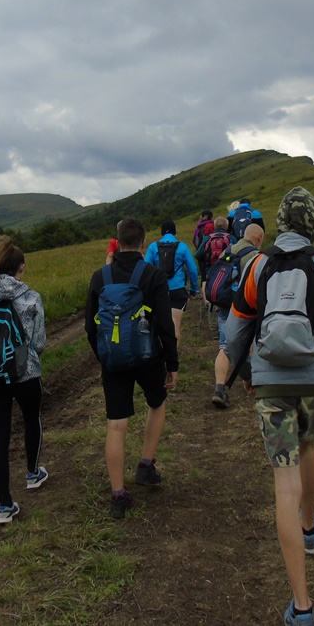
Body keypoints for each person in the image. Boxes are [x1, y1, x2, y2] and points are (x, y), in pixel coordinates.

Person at [226, 188, 314, 625]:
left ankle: (301, 607)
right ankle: (309, 529)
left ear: (281, 224)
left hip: (271, 386)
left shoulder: (258, 266)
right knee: (308, 447)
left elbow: (235, 333)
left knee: (283, 483)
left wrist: (246, 374)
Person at [85, 218, 179, 519]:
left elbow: (90, 327)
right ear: (143, 243)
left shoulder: (100, 277)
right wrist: (172, 363)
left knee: (116, 423)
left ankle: (118, 496)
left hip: (113, 360)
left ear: (117, 242)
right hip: (148, 357)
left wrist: (104, 356)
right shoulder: (153, 274)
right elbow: (165, 324)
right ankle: (145, 466)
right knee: (157, 403)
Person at [0, 236, 48, 524]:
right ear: (21, 267)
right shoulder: (31, 298)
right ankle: (32, 474)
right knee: (31, 419)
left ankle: (4, 506)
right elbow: (38, 344)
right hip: (25, 373)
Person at [210, 222, 264, 409]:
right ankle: (252, 381)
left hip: (223, 306)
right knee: (252, 343)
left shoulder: (227, 251)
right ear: (259, 238)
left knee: (225, 346)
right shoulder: (255, 257)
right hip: (244, 310)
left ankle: (219, 388)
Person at [144, 220, 199, 348]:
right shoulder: (183, 247)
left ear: (162, 232)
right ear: (174, 231)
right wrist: (193, 289)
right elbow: (192, 270)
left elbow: (146, 269)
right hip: (178, 290)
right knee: (175, 323)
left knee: (160, 323)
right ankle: (173, 355)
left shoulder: (153, 247)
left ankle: (160, 352)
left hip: (159, 291)